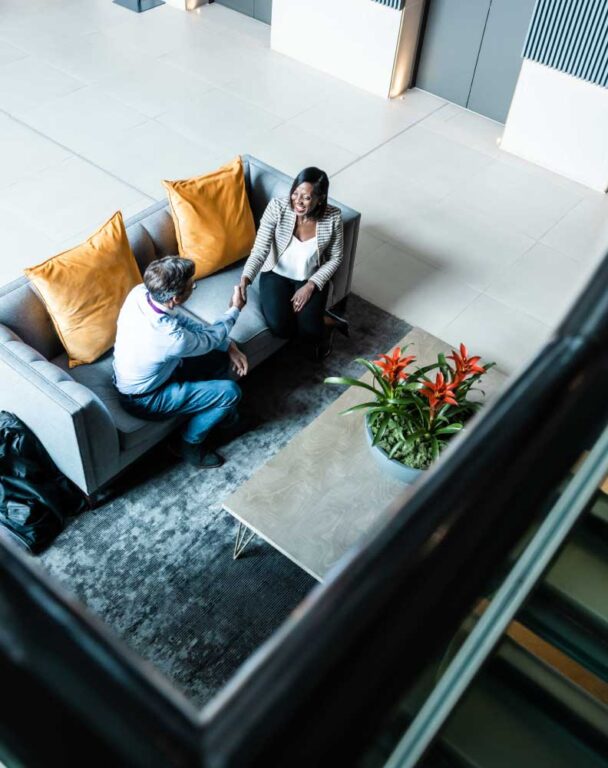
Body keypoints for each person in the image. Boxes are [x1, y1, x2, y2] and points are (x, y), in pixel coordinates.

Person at [113, 256, 248, 469]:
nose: (194, 287)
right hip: (146, 399)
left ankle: (227, 420)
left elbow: (182, 322)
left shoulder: (140, 293)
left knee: (218, 358)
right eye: (191, 285)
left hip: (151, 374)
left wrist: (228, 346)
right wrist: (234, 309)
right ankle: (188, 444)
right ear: (175, 298)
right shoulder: (171, 339)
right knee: (231, 392)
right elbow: (207, 340)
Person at [239, 166, 344, 359]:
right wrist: (245, 280)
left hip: (310, 278)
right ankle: (322, 319)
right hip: (275, 274)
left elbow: (335, 258)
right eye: (295, 193)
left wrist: (311, 285)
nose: (298, 201)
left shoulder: (333, 217)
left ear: (320, 198)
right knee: (281, 328)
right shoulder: (277, 208)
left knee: (310, 331)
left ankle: (328, 325)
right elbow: (260, 249)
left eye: (306, 197)